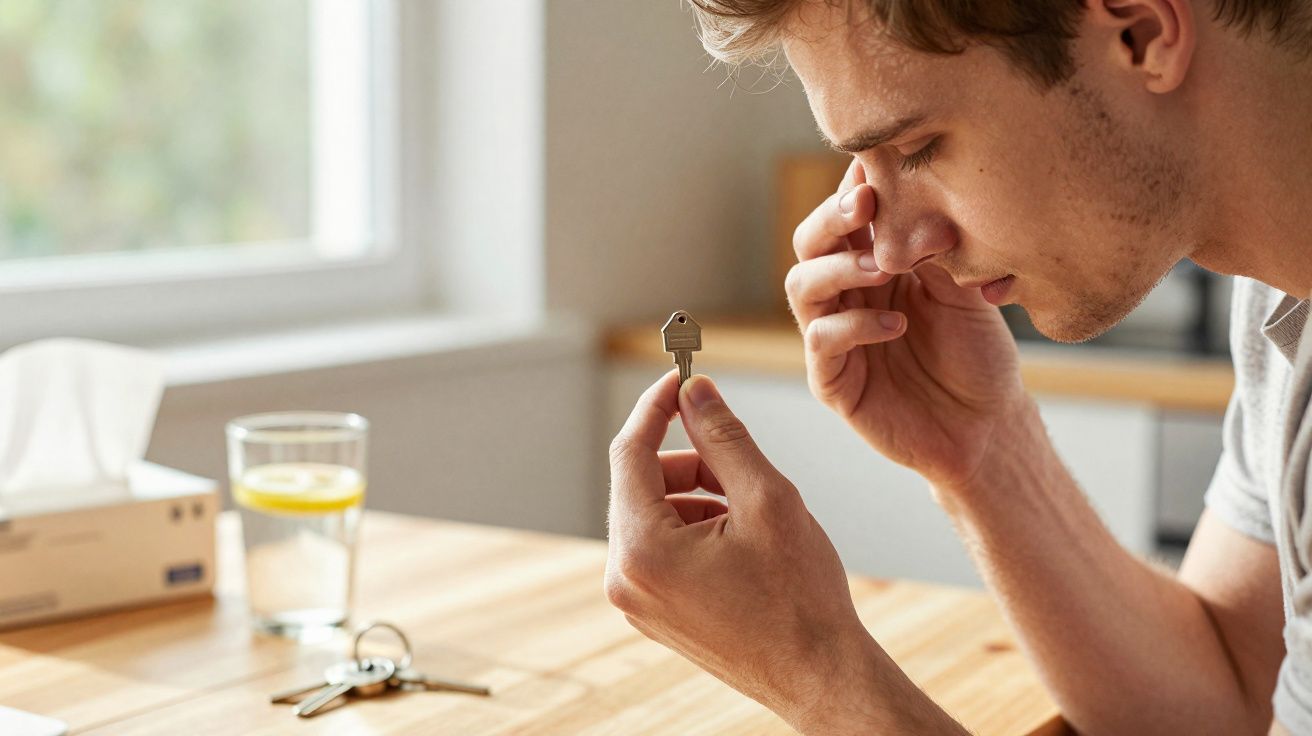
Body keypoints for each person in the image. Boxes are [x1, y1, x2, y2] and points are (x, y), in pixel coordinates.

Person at [604, 0, 1312, 733]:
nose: (890, 248)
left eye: (916, 147)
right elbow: (1231, 694)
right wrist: (982, 451)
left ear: (1141, 31)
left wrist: (822, 676)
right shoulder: (1276, 289)